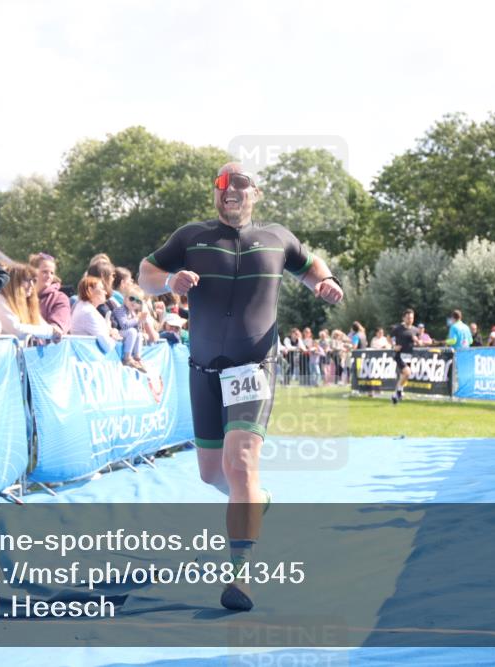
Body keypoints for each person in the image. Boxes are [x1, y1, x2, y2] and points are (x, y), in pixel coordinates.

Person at [138, 162, 343, 611]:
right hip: (203, 369)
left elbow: (311, 267)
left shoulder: (277, 237)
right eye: (221, 185)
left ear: (257, 193)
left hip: (254, 366)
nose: (229, 191)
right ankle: (256, 500)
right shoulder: (190, 236)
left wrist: (324, 282)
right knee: (214, 473)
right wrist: (170, 281)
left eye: (240, 185)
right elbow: (144, 273)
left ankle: (241, 575)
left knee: (243, 462)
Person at [0, 264, 57, 342]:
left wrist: (53, 330)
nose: (32, 285)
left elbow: (42, 324)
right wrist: (50, 332)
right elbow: (16, 330)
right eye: (27, 280)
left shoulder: (26, 303)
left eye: (33, 280)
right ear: (14, 282)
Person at [71, 275, 119, 352]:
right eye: (102, 289)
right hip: (89, 360)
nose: (105, 292)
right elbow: (108, 346)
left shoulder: (85, 308)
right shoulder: (88, 312)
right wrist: (112, 335)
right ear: (90, 290)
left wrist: (109, 331)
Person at [30, 253, 71, 334]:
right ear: (32, 272)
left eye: (52, 273)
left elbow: (57, 331)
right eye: (45, 272)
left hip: (48, 346)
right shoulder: (22, 295)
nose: (49, 276)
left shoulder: (60, 298)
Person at [111, 284, 148, 371]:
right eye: (132, 299)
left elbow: (137, 328)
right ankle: (127, 357)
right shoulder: (120, 310)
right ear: (125, 298)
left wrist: (141, 321)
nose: (134, 302)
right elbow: (124, 325)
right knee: (132, 331)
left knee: (138, 333)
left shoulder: (133, 313)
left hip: (125, 334)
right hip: (117, 332)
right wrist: (137, 319)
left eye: (138, 301)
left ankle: (137, 358)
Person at [389, 308, 420, 405]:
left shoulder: (415, 330)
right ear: (403, 318)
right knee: (407, 373)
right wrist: (394, 346)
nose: (410, 320)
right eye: (408, 318)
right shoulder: (398, 328)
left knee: (404, 376)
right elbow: (389, 338)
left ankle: (395, 395)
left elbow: (418, 342)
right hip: (399, 355)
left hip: (409, 355)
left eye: (411, 318)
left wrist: (417, 341)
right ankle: (399, 391)